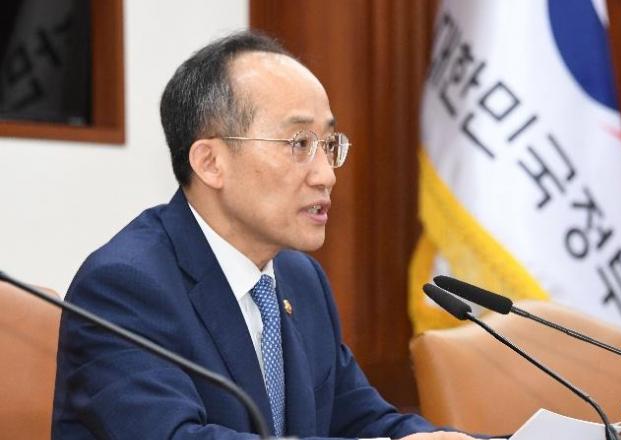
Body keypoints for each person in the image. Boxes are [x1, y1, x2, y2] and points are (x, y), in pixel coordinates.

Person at [52, 30, 483, 439]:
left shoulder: (301, 279)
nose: (326, 175)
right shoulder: (123, 287)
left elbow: (361, 420)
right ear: (210, 163)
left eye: (329, 144)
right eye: (299, 144)